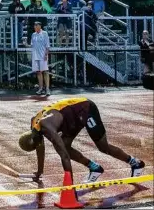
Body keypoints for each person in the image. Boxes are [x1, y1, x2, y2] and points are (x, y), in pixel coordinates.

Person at [18, 97, 146, 183]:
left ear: (34, 140)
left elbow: (64, 157)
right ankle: (94, 167)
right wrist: (39, 172)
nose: (40, 144)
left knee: (103, 147)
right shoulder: (34, 124)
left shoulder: (47, 127)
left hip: (86, 109)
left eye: (37, 144)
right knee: (66, 146)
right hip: (70, 118)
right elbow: (40, 150)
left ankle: (136, 163)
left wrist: (70, 187)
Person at [31, 22, 50, 96]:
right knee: (38, 72)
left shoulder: (45, 33)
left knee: (45, 71)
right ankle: (41, 88)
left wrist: (46, 55)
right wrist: (26, 44)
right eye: (34, 25)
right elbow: (32, 45)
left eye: (36, 25)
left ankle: (47, 89)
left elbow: (47, 45)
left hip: (43, 56)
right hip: (35, 56)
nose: (35, 27)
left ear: (39, 26)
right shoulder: (33, 34)